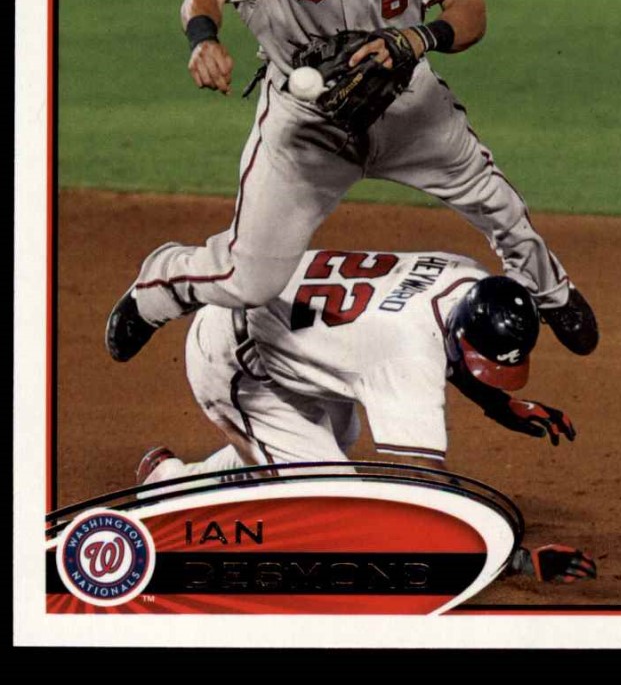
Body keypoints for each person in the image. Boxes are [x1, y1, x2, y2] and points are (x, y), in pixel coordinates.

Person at [106, 0, 598, 365]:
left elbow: (469, 8)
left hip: (406, 101)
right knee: (249, 278)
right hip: (307, 122)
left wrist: (417, 39)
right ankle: (160, 285)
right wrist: (203, 38)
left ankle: (550, 290)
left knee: (496, 202)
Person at [135, 247, 596, 585]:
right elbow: (425, 488)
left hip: (300, 342)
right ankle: (174, 510)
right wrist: (515, 560)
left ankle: (177, 476)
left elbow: (453, 346)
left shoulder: (469, 279)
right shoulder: (404, 354)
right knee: (337, 517)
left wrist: (500, 404)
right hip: (236, 362)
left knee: (336, 437)